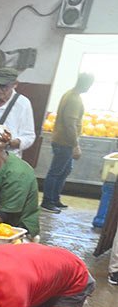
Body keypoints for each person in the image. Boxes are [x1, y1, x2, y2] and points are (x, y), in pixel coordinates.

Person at [42, 72, 95, 213]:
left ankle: (54, 198)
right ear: (85, 83)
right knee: (56, 171)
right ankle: (47, 201)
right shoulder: (74, 99)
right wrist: (75, 145)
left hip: (64, 141)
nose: (90, 87)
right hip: (65, 142)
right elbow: (70, 123)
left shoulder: (71, 95)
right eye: (90, 84)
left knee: (64, 170)